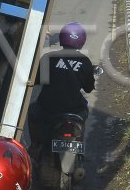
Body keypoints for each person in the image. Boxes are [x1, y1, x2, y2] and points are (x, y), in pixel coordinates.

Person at [28, 23, 95, 159]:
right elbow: (88, 88)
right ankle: (78, 152)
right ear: (81, 41)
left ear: (63, 38)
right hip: (74, 110)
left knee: (32, 111)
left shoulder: (49, 58)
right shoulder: (85, 62)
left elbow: (36, 80)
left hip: (48, 108)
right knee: (83, 116)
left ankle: (35, 145)